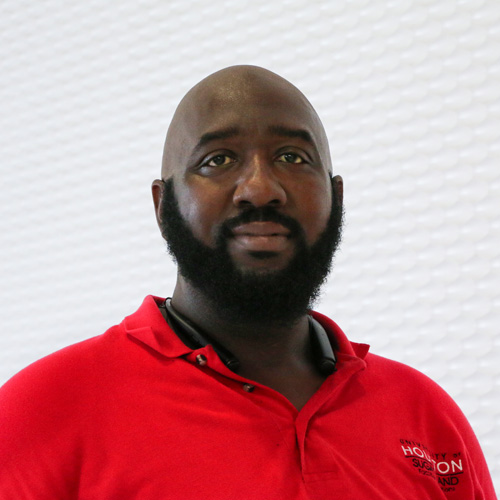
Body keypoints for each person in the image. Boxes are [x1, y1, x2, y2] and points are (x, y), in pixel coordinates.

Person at [0, 66, 496, 500]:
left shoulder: (426, 414)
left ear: (335, 197)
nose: (260, 188)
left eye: (292, 157)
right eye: (217, 160)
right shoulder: (40, 412)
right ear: (162, 204)